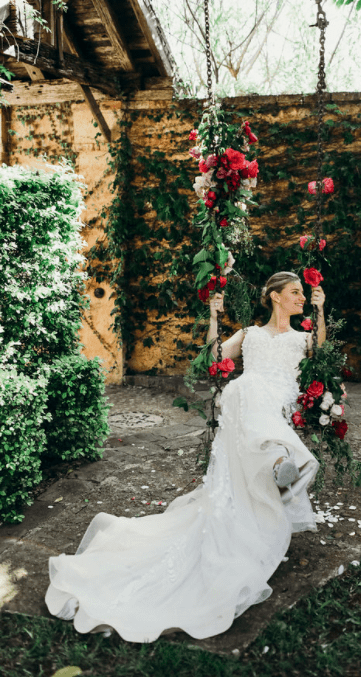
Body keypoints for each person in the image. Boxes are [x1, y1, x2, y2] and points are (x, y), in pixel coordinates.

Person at [45, 271, 326, 642]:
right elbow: (214, 358)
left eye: (304, 295)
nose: (302, 299)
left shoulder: (303, 337)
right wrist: (213, 317)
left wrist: (321, 311)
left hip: (279, 405)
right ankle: (275, 461)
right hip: (249, 404)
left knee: (249, 389)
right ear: (274, 297)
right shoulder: (250, 335)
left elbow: (321, 354)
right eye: (295, 293)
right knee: (244, 385)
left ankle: (275, 459)